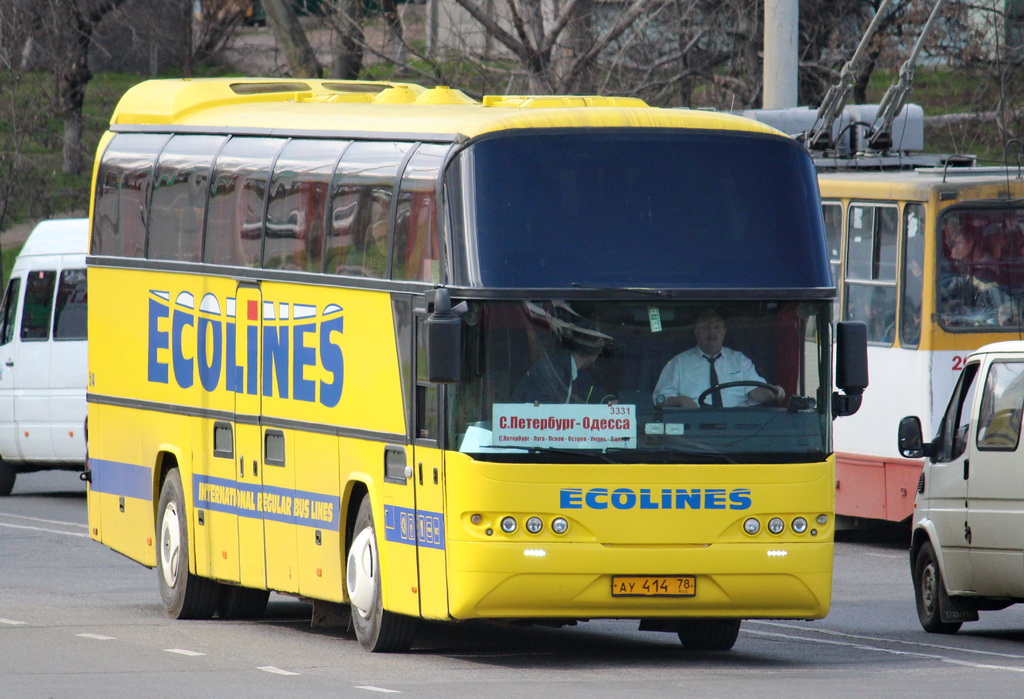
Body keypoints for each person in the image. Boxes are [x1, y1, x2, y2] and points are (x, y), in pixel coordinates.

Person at [652, 309, 785, 408]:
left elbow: (755, 392)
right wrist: (680, 400)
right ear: (695, 331)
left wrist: (772, 391)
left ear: (724, 332)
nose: (712, 333)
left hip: (737, 426)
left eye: (717, 327)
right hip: (694, 425)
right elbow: (660, 400)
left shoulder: (739, 360)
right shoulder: (679, 363)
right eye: (705, 328)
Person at [512, 332, 615, 405]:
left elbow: (590, 394)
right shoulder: (551, 371)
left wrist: (607, 401)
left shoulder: (578, 373)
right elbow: (540, 412)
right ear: (595, 355)